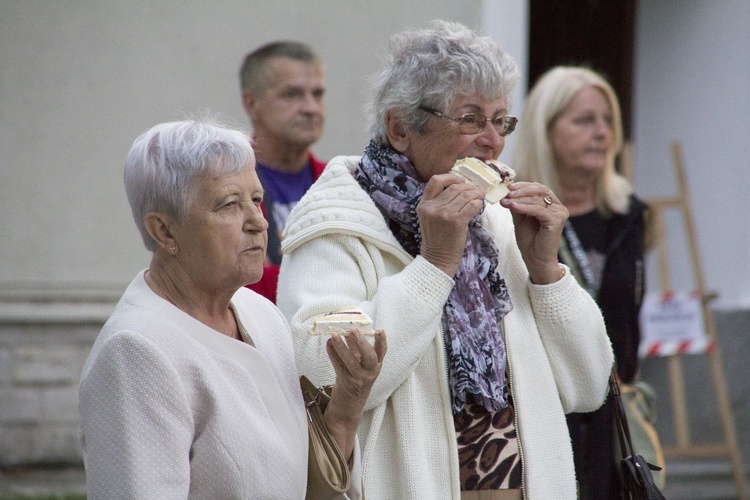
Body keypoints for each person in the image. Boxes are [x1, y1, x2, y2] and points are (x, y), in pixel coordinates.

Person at [276, 21, 614, 500]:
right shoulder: (337, 223)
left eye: (500, 121)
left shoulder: (498, 223)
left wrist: (547, 272)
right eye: (471, 119)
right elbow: (324, 379)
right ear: (400, 128)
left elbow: (588, 385)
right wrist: (433, 266)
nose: (493, 142)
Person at [78, 119, 386, 498]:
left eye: (257, 200)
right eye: (228, 205)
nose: (258, 222)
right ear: (165, 231)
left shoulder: (259, 313)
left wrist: (347, 403)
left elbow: (307, 490)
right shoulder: (135, 353)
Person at [513, 66, 649, 499]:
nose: (602, 133)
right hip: (544, 412)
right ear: (545, 129)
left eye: (607, 120)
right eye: (584, 120)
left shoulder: (628, 214)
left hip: (613, 413)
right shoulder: (514, 214)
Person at [239, 41, 327, 302]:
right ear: (252, 104)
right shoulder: (224, 187)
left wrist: (271, 275)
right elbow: (237, 292)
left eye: (318, 94)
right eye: (292, 94)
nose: (311, 108)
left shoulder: (342, 182)